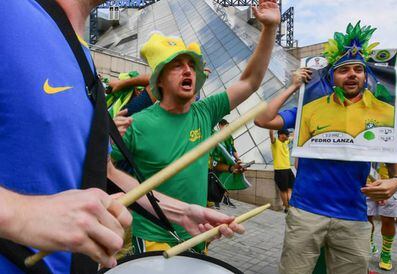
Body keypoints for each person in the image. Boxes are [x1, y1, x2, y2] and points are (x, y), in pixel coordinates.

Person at [0, 1, 243, 273]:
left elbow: (107, 172)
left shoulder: (80, 56)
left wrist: (180, 212)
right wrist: (21, 215)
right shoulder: (9, 13)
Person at [111, 0, 280, 254]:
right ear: (160, 80)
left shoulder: (205, 111)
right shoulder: (138, 123)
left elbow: (251, 81)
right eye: (177, 66)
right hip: (151, 240)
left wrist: (269, 29)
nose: (188, 70)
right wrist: (106, 139)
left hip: (196, 236)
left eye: (191, 65)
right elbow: (103, 171)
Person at [254, 22, 397, 273]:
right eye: (343, 70)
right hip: (306, 212)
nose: (352, 74)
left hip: (354, 216)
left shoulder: (385, 114)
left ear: (366, 76)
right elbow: (263, 119)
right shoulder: (309, 110)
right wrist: (293, 86)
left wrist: (396, 183)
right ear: (331, 76)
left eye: (358, 69)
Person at [366, 137, 397, 271]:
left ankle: (386, 252)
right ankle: (370, 242)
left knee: (388, 220)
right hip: (366, 183)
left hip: (390, 184)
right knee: (366, 220)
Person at [269, 129, 294, 213]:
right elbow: (271, 137)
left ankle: (289, 205)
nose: (287, 137)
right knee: (283, 190)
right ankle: (287, 207)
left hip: (288, 169)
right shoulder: (275, 143)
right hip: (280, 170)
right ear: (280, 135)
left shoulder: (286, 142)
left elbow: (294, 135)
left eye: (287, 135)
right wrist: (271, 128)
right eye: (286, 135)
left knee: (290, 188)